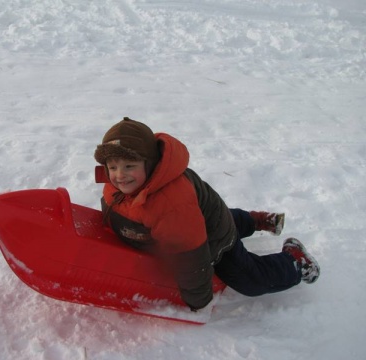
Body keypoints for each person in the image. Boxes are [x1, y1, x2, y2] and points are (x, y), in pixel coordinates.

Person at [94, 117, 320, 311]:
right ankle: (258, 220)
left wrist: (198, 301)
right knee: (215, 219)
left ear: (150, 163)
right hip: (205, 215)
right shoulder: (118, 188)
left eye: (129, 166)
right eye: (113, 167)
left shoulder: (170, 204)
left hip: (213, 236)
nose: (119, 176)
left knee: (249, 279)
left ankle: (295, 261)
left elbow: (191, 257)